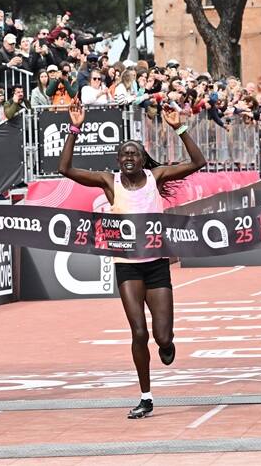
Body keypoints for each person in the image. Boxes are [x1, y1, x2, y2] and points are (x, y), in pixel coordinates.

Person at [58, 99, 206, 419]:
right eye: (123, 154)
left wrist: (178, 126)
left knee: (161, 337)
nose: (128, 157)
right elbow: (65, 169)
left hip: (155, 264)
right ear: (117, 160)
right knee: (138, 332)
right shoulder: (109, 182)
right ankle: (146, 396)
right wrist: (75, 127)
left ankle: (167, 345)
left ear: (142, 159)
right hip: (126, 266)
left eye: (134, 153)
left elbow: (198, 161)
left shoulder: (157, 176)